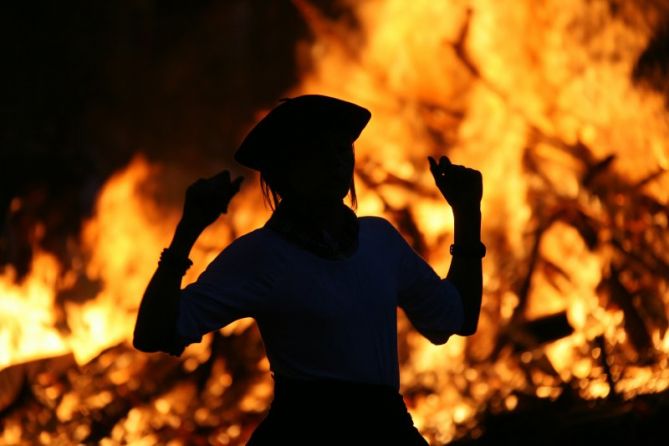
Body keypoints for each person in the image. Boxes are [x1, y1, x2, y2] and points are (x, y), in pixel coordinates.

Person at [133, 95, 484, 445]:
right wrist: (187, 232)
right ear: (285, 171)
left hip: (386, 433)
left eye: (342, 150)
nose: (335, 163)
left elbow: (455, 319)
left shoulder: (380, 241)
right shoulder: (261, 256)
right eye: (318, 152)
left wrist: (467, 214)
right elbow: (155, 333)